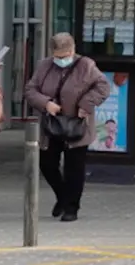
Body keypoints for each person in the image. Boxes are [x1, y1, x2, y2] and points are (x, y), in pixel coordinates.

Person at [22, 33, 111, 223]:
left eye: (65, 55)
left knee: (74, 167)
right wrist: (45, 103)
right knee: (47, 163)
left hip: (77, 124)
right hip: (51, 124)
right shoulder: (44, 66)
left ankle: (72, 207)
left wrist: (86, 104)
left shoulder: (86, 66)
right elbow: (30, 89)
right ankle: (62, 196)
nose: (62, 60)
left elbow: (102, 87)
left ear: (72, 50)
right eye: (58, 56)